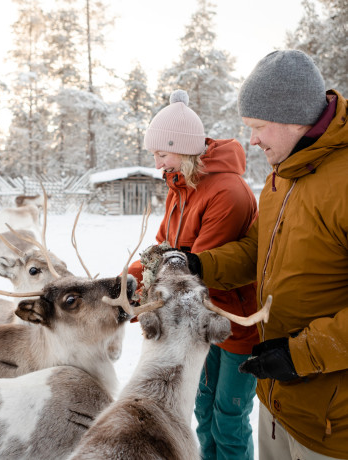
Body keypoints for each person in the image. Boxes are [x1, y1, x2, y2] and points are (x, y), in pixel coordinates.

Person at [186, 50, 348, 460]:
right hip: (277, 403)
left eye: (258, 126)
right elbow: (255, 251)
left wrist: (298, 356)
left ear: (295, 118)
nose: (251, 139)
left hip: (333, 424)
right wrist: (198, 265)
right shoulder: (280, 179)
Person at [128, 89, 260, 459]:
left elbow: (193, 269)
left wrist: (150, 289)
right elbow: (163, 248)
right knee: (202, 411)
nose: (157, 164)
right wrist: (126, 282)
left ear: (183, 148)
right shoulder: (180, 186)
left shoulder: (227, 192)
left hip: (233, 323)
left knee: (229, 419)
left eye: (161, 154)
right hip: (195, 322)